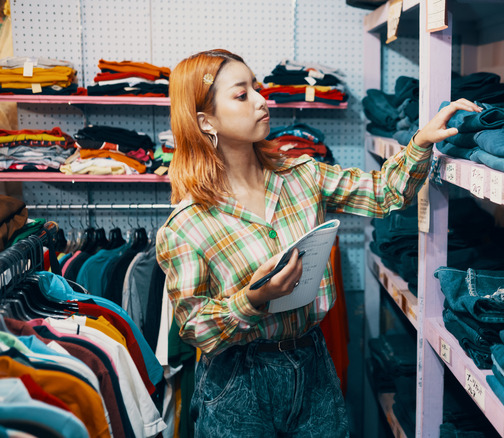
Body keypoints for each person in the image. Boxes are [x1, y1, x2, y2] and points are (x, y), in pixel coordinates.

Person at [156, 48, 481, 437]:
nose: (262, 100)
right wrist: (253, 299)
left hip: (311, 364)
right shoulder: (186, 224)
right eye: (242, 95)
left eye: (256, 88)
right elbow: (194, 327)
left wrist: (421, 142)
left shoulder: (302, 175)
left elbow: (384, 193)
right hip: (236, 381)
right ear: (205, 120)